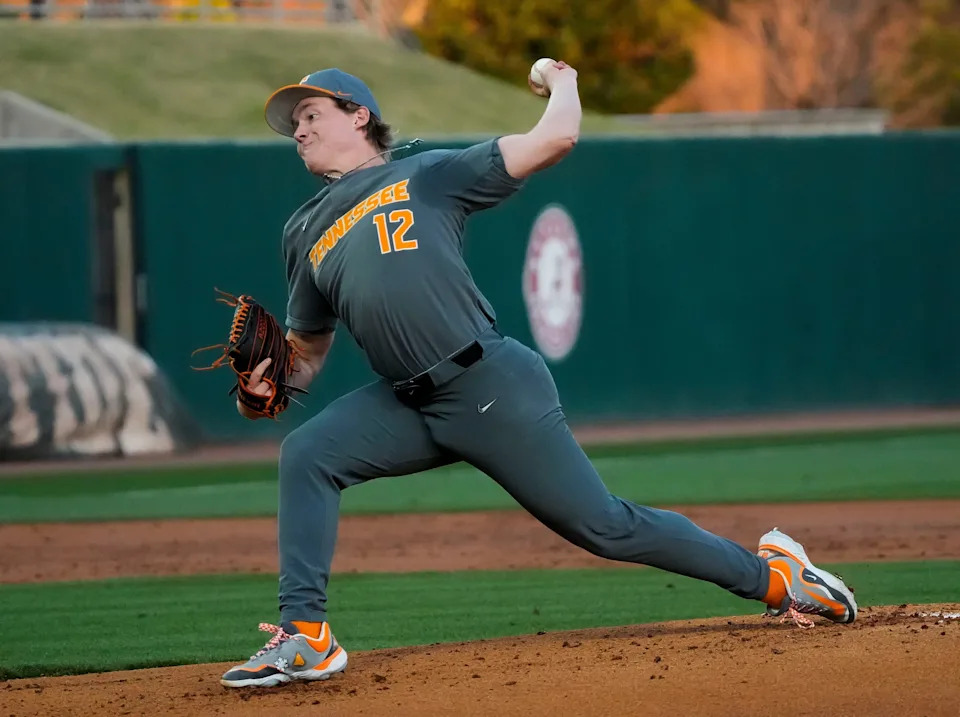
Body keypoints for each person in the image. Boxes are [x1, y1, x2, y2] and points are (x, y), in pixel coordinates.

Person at [220, 62, 857, 689]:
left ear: (359, 116)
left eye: (311, 114)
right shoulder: (302, 230)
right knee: (307, 453)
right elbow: (306, 352)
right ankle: (306, 635)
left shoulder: (426, 174)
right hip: (405, 403)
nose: (298, 130)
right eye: (293, 123)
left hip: (487, 386)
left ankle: (777, 579)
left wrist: (564, 80)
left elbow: (556, 138)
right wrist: (262, 391)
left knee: (606, 527)